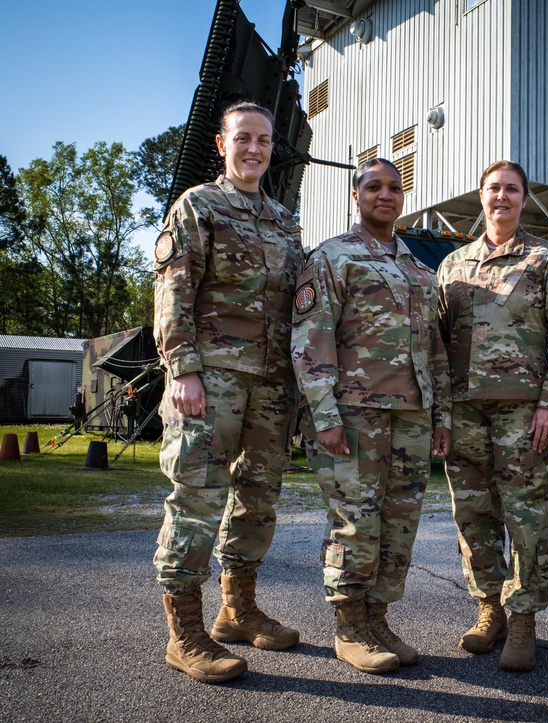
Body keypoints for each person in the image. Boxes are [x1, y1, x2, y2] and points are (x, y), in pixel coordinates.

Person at [152, 101, 303, 684]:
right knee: (197, 496)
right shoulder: (199, 205)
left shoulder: (285, 220)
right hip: (210, 375)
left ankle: (237, 609)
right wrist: (183, 368)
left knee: (257, 498)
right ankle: (185, 633)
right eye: (243, 138)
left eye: (263, 141)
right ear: (223, 145)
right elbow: (174, 288)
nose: (254, 149)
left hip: (270, 382)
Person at [292, 158, 452, 675]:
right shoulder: (333, 257)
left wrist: (442, 416)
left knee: (399, 525)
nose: (385, 194)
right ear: (355, 195)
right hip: (354, 415)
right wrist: (324, 414)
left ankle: (378, 618)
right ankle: (349, 627)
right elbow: (311, 339)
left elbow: (436, 351)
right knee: (355, 523)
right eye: (373, 186)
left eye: (394, 187)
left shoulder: (419, 270)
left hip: (413, 417)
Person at [437, 160, 548, 672]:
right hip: (464, 413)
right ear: (480, 196)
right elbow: (437, 344)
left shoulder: (547, 260)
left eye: (512, 190)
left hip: (525, 414)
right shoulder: (453, 263)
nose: (502, 197)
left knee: (525, 518)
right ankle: (489, 609)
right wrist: (441, 413)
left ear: (524, 198)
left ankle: (522, 617)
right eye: (493, 189)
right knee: (473, 516)